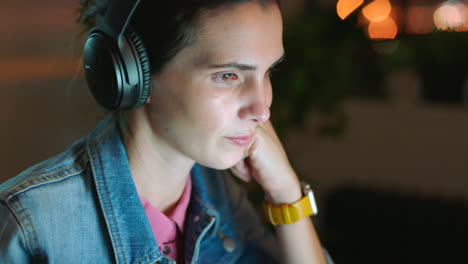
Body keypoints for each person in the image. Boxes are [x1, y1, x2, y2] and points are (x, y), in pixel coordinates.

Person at [0, 0, 333, 263]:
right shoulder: (32, 224)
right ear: (133, 75)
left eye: (268, 73)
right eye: (228, 76)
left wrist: (287, 194)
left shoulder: (218, 195)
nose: (262, 110)